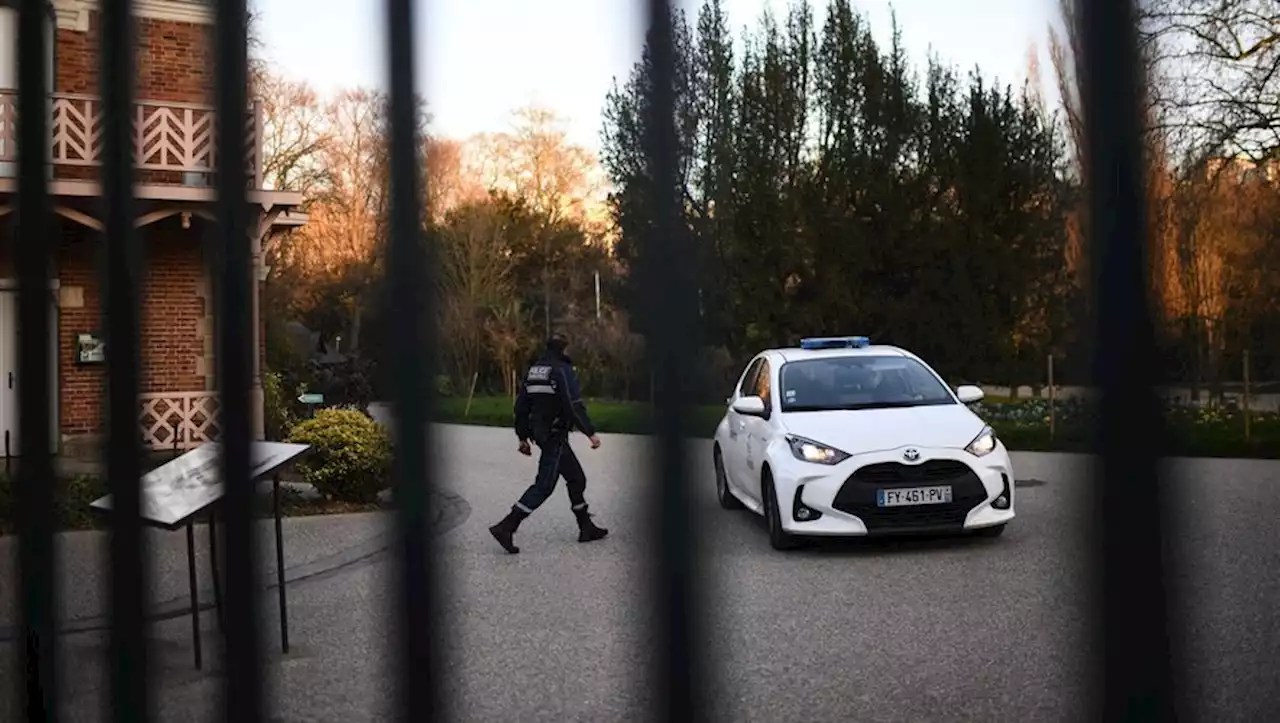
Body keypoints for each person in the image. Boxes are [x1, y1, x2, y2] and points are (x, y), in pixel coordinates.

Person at [488, 332, 608, 553]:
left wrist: (522, 437)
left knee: (576, 478)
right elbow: (574, 406)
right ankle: (507, 526)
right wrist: (590, 433)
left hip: (540, 433)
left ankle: (585, 527)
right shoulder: (561, 370)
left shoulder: (534, 371)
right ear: (563, 349)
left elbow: (521, 406)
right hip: (555, 435)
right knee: (544, 485)